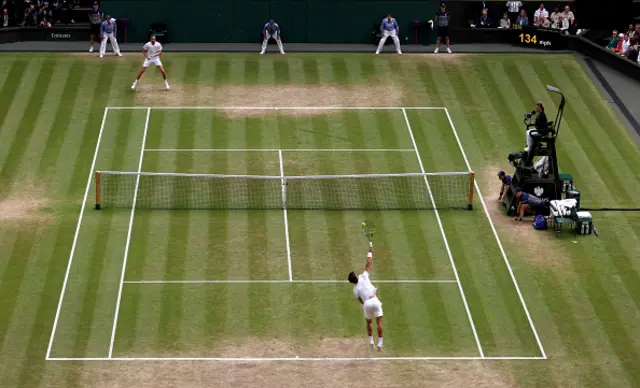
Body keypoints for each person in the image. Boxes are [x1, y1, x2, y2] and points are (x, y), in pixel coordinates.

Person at [348, 247, 383, 352]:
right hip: (375, 300)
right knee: (379, 322)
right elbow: (368, 264)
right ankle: (380, 343)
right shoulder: (364, 276)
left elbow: (361, 300)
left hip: (367, 303)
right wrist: (370, 252)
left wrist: (366, 305)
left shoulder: (355, 289)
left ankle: (371, 341)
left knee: (369, 323)